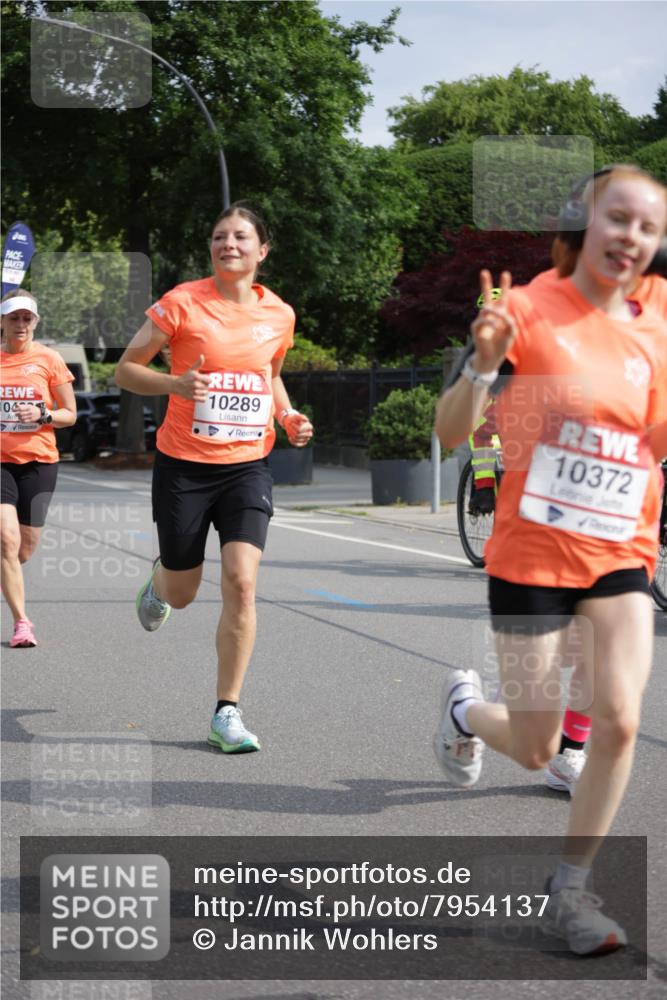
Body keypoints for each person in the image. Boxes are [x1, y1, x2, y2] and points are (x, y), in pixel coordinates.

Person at [432, 165, 667, 955]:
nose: (631, 236)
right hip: (531, 553)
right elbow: (448, 433)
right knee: (535, 747)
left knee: (620, 717)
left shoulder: (658, 317)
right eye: (618, 219)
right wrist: (484, 362)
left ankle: (569, 893)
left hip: (619, 550)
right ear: (586, 222)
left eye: (647, 226)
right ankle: (465, 711)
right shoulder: (527, 310)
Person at [114, 203, 313, 754]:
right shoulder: (182, 302)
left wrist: (288, 416)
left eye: (241, 236)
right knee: (182, 591)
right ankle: (159, 582)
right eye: (219, 236)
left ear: (262, 250)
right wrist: (176, 385)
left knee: (242, 584)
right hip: (184, 465)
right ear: (212, 249)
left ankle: (227, 711)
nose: (229, 244)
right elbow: (126, 369)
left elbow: (270, 376)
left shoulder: (280, 315)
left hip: (248, 466)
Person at [532, 244, 667, 795]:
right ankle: (473, 711)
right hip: (568, 500)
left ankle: (571, 750)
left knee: (605, 645)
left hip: (632, 513)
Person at [1, 289, 76, 646]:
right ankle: (22, 624)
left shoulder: (49, 359)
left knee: (23, 550)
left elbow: (69, 414)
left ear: (36, 321)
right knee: (6, 539)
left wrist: (43, 414)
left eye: (26, 318)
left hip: (39, 462)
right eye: (13, 317)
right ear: (2, 321)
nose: (20, 324)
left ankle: (8, 573)